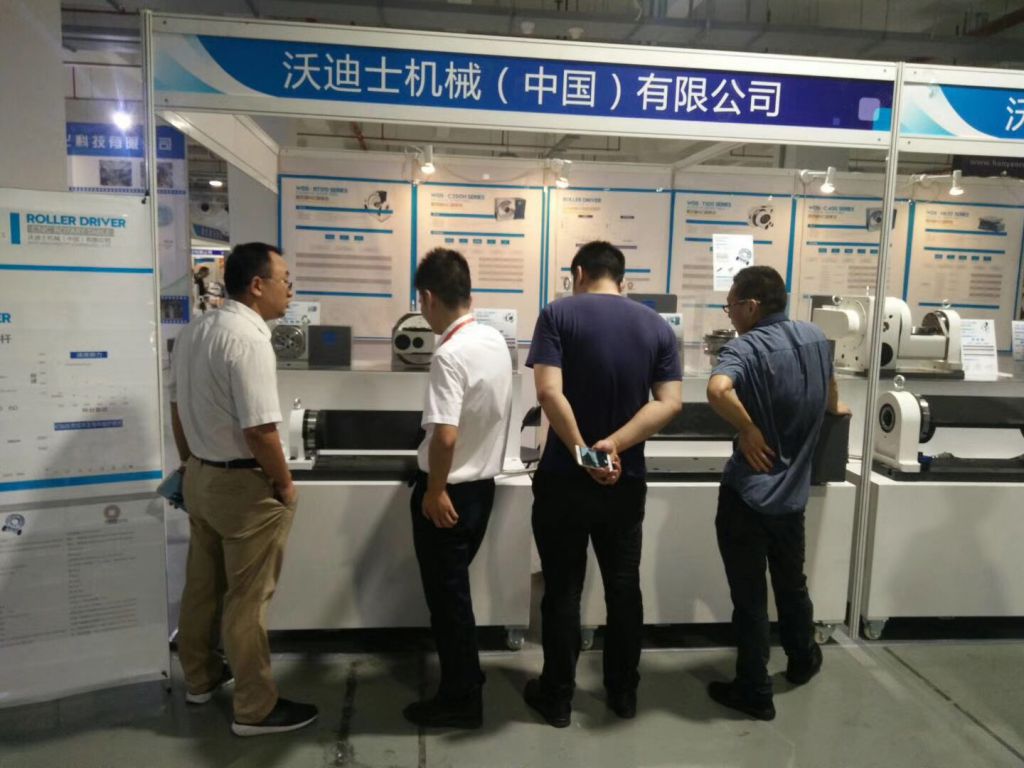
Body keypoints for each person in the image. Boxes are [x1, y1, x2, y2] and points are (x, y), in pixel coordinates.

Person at [523, 240, 682, 727]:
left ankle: (557, 697)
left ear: (577, 273)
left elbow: (548, 392)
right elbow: (669, 402)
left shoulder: (557, 315)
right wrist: (612, 446)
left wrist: (583, 453)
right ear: (622, 279)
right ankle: (623, 693)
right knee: (623, 588)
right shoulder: (657, 326)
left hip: (563, 480)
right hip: (624, 479)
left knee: (563, 589)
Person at [170, 242, 318, 736]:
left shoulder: (196, 331)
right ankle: (254, 708)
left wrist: (189, 463)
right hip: (242, 487)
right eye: (285, 280)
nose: (289, 290)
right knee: (247, 599)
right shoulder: (250, 339)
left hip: (200, 476)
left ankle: (200, 678)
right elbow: (260, 430)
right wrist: (284, 483)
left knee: (202, 585)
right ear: (257, 285)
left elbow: (177, 410)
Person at [705, 265, 850, 721]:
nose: (730, 314)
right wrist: (835, 408)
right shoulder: (814, 337)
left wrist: (748, 428)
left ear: (751, 306)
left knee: (749, 596)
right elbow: (831, 386)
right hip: (791, 498)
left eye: (731, 306)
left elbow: (717, 389)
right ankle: (803, 658)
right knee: (792, 583)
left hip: (747, 496)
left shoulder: (745, 347)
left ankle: (754, 688)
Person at [402, 248, 514, 730]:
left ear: (427, 298)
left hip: (448, 494)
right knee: (456, 597)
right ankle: (467, 677)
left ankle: (460, 700)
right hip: (481, 490)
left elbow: (445, 435)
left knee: (448, 604)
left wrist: (433, 491)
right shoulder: (493, 340)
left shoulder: (449, 354)